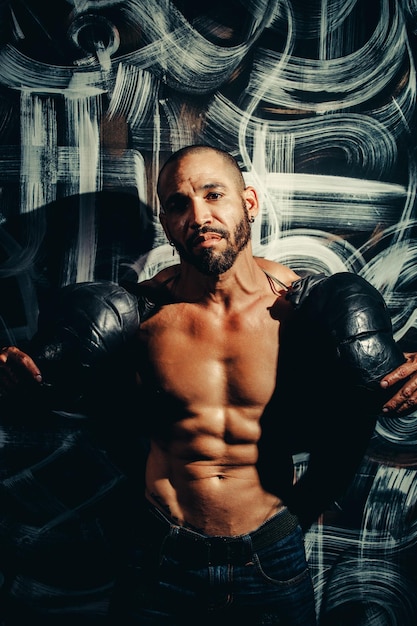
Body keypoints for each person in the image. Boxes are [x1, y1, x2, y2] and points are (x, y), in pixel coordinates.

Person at [1, 144, 417, 626]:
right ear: (167, 223)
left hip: (271, 559)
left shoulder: (306, 315)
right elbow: (83, 405)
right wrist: (20, 378)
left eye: (214, 194)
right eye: (179, 204)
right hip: (159, 559)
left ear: (250, 203)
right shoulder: (140, 317)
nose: (199, 215)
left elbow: (368, 401)